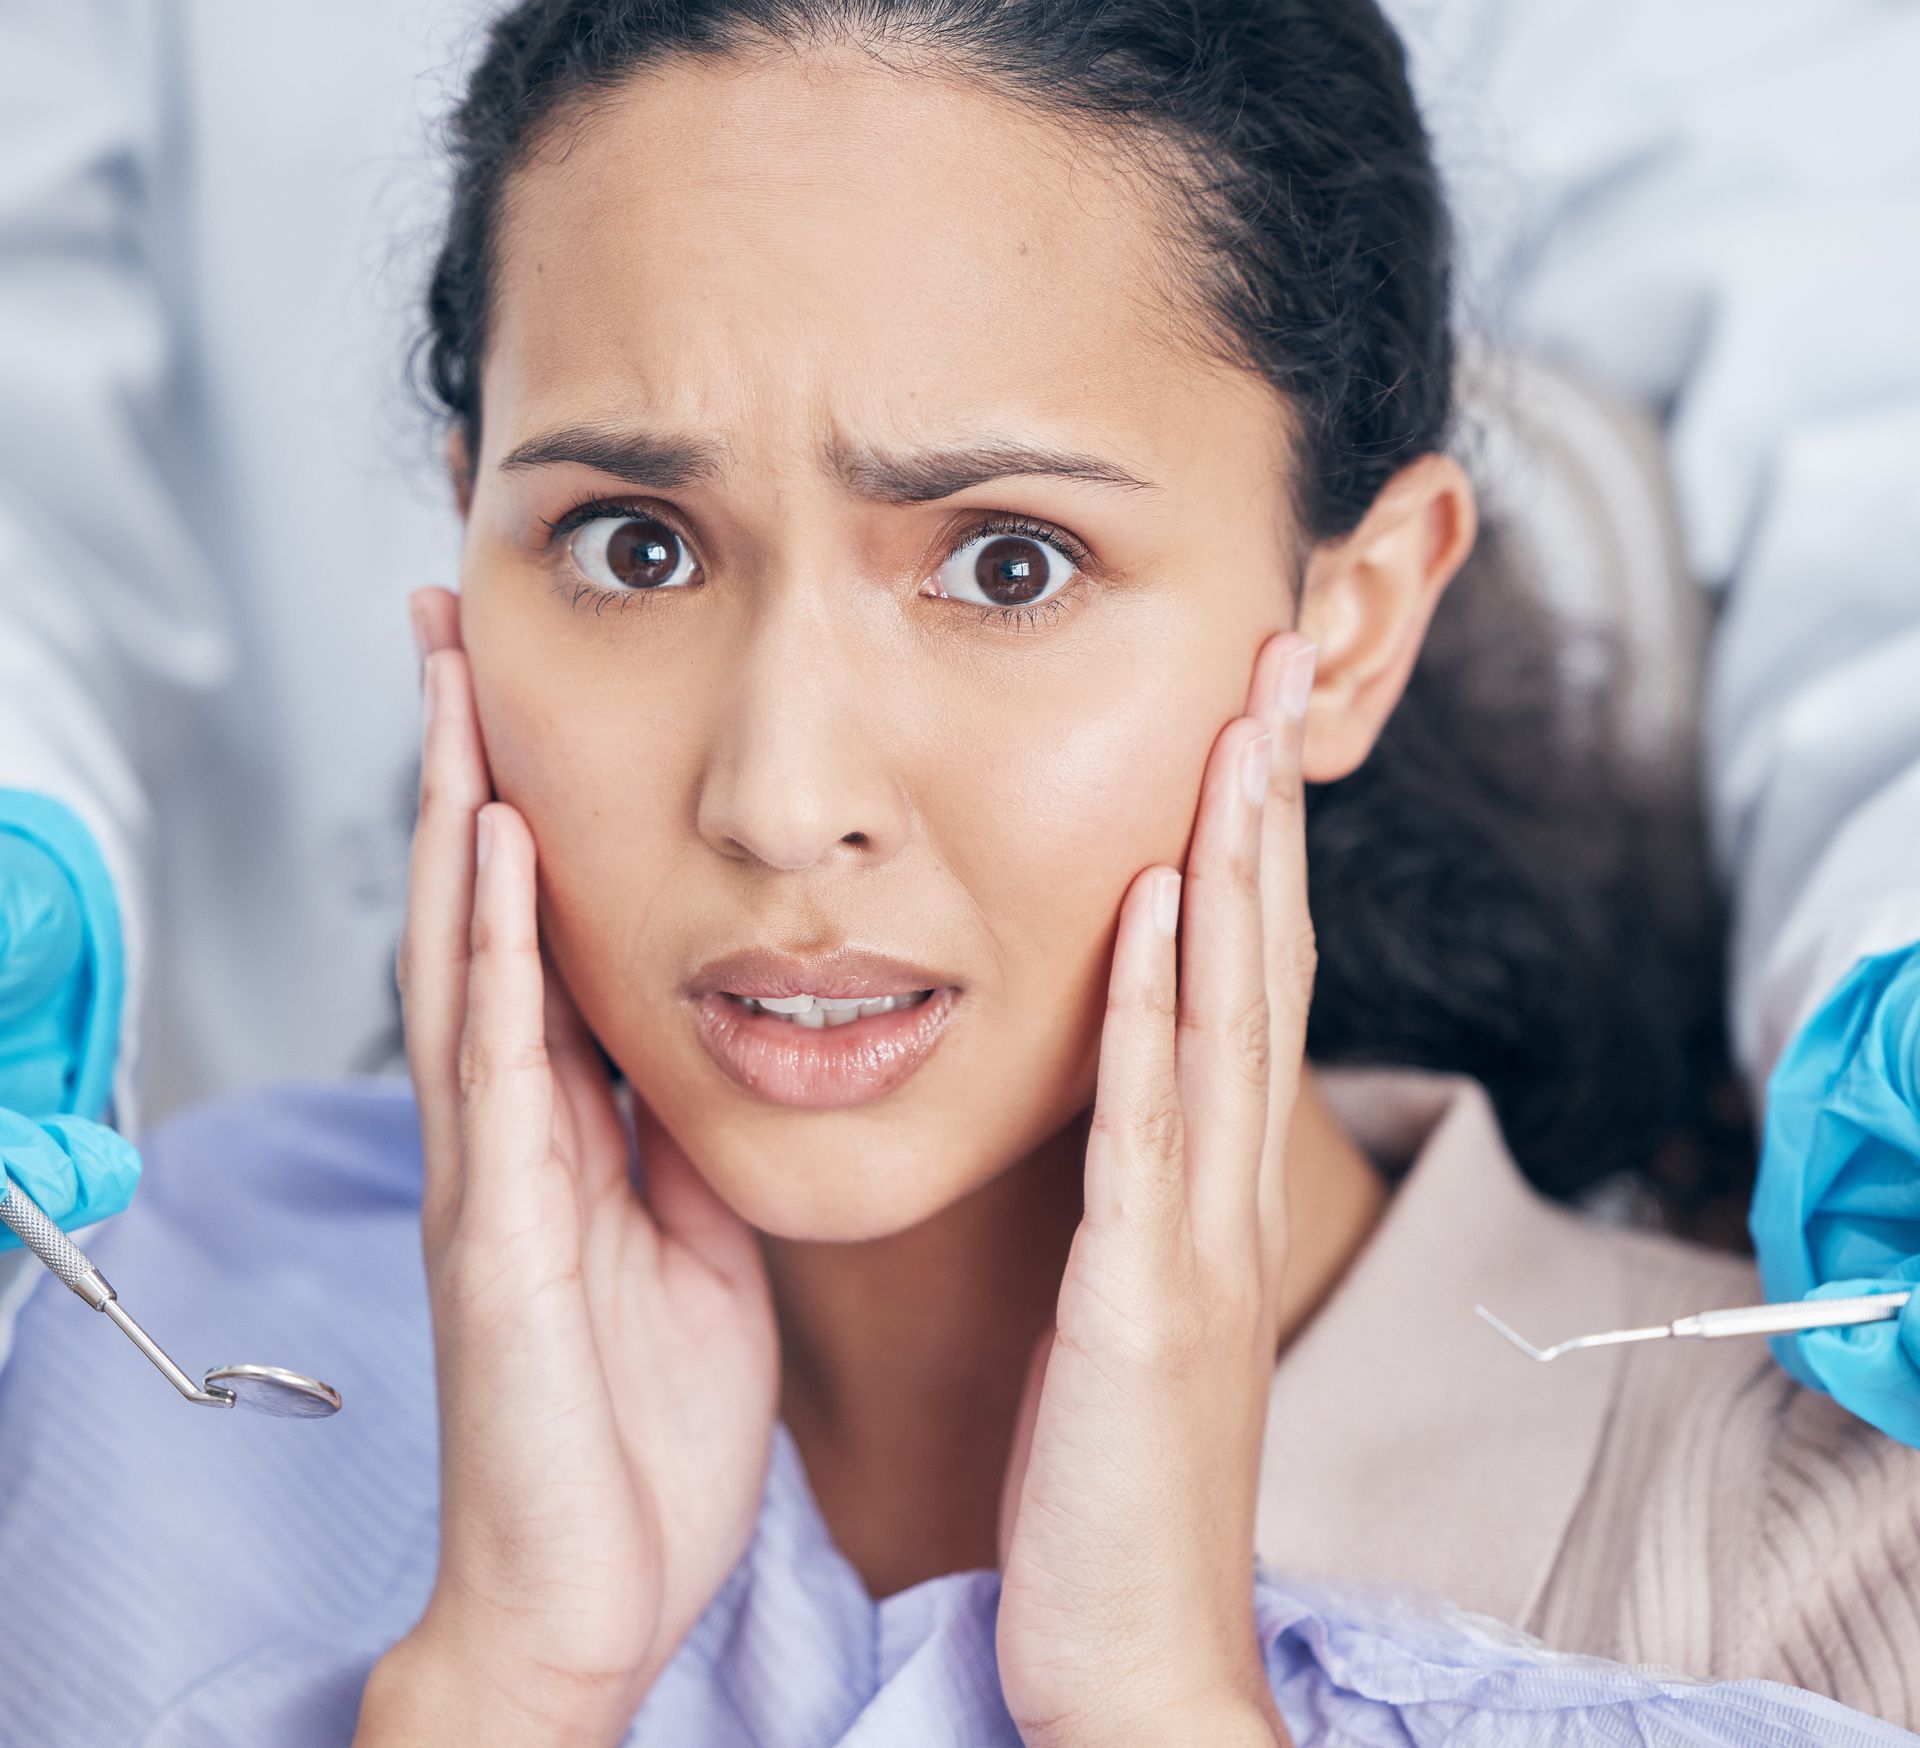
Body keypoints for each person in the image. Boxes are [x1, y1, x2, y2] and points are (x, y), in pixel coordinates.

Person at [1, 3, 1918, 1744]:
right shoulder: (120, 1408)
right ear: (465, 530)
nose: (780, 796)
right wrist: (505, 1680)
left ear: (1347, 625)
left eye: (1010, 562)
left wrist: (1154, 1701)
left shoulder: (1816, 1584)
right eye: (634, 547)